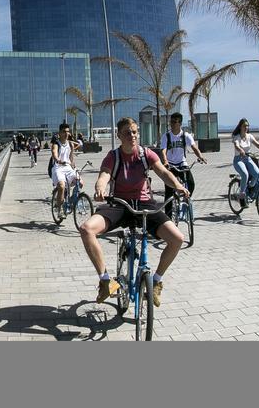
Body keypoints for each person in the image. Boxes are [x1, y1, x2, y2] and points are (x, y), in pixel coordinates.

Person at [78, 117, 189, 307]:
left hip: (145, 204)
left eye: (135, 132)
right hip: (119, 204)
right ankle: (105, 281)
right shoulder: (114, 156)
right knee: (87, 229)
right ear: (119, 135)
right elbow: (104, 175)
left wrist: (178, 186)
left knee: (177, 238)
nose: (132, 136)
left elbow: (163, 172)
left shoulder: (147, 154)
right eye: (128, 132)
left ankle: (155, 282)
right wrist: (100, 188)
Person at [159, 112, 207, 202]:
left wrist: (201, 157)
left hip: (182, 163)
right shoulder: (166, 136)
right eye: (171, 122)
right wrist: (165, 161)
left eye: (174, 122)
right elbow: (163, 150)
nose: (172, 124)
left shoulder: (185, 135)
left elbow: (194, 147)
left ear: (180, 123)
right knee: (169, 191)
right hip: (170, 165)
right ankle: (168, 215)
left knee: (191, 183)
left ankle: (186, 200)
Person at [231, 118, 259, 207]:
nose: (246, 128)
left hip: (248, 159)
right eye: (244, 126)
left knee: (257, 174)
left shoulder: (249, 136)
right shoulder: (236, 137)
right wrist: (241, 150)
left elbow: (258, 144)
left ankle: (249, 186)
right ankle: (241, 195)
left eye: (247, 126)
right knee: (245, 174)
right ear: (240, 127)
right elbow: (236, 146)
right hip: (238, 160)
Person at [49, 123, 82, 214]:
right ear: (59, 133)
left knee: (80, 182)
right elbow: (54, 153)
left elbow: (71, 158)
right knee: (62, 186)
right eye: (64, 132)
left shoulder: (70, 144)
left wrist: (73, 165)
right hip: (58, 168)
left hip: (68, 167)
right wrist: (58, 160)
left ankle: (70, 201)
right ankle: (60, 210)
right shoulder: (56, 144)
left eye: (68, 131)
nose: (66, 133)